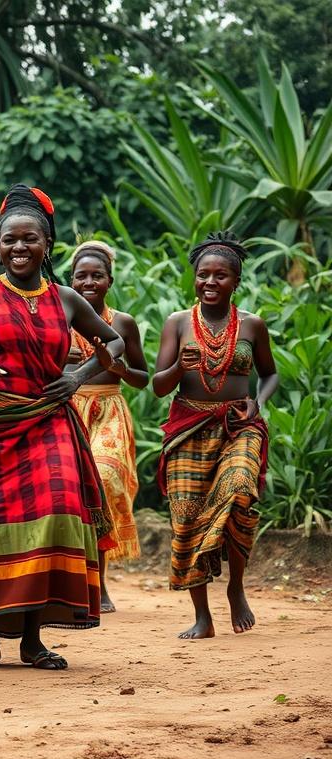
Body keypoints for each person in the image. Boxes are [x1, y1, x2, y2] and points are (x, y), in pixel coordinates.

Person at [0, 184, 122, 672]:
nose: (19, 248)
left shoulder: (66, 299)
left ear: (47, 245)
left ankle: (33, 641)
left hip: (47, 420)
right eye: (9, 241)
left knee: (55, 510)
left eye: (29, 240)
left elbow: (115, 342)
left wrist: (78, 377)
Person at [152, 232, 277, 640]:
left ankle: (237, 587)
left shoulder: (253, 325)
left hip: (239, 425)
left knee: (240, 490)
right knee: (186, 517)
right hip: (188, 426)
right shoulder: (177, 323)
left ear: (235, 281)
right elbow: (157, 384)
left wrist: (257, 402)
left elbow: (270, 373)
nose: (210, 282)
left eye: (220, 276)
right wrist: (177, 368)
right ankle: (202, 616)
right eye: (203, 275)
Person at [66, 241, 149, 612]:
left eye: (96, 275)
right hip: (66, 410)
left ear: (109, 280)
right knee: (70, 493)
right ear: (71, 280)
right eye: (81, 276)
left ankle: (99, 583)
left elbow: (143, 378)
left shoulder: (123, 323)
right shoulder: (59, 318)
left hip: (108, 412)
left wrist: (118, 369)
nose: (88, 282)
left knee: (104, 478)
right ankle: (75, 582)